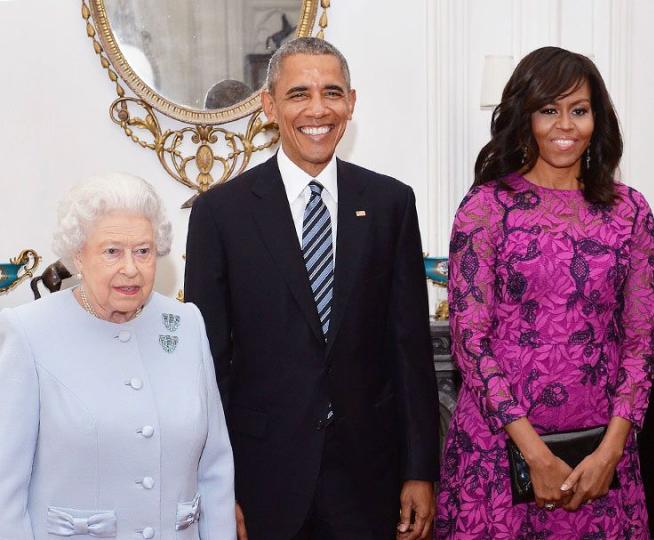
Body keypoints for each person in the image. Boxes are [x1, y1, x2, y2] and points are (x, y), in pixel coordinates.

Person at [184, 37, 439, 540]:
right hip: (262, 478)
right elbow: (207, 362)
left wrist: (420, 469)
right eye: (299, 93)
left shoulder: (391, 203)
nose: (318, 110)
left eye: (333, 92)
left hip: (370, 478)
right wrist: (217, 484)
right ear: (269, 104)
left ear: (352, 102)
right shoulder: (221, 213)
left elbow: (409, 348)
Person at [436, 46, 654, 539]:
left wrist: (611, 452)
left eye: (579, 110)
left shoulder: (631, 212)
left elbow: (640, 343)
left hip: (598, 464)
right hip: (497, 455)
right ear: (526, 117)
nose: (565, 125)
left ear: (597, 119)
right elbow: (470, 341)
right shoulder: (487, 207)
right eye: (548, 110)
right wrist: (533, 453)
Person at [0, 173, 235, 539]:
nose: (130, 268)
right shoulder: (28, 331)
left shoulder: (186, 324)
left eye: (143, 251)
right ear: (78, 255)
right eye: (112, 251)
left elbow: (215, 468)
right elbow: (5, 489)